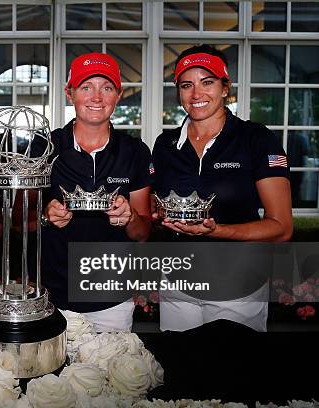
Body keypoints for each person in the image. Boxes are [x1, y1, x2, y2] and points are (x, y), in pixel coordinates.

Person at [152, 44, 293, 332]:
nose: (196, 94)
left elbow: (281, 228)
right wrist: (156, 217)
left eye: (208, 82)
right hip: (176, 284)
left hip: (237, 288)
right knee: (178, 369)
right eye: (186, 85)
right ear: (178, 92)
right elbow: (157, 208)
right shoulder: (165, 145)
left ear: (225, 88)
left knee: (229, 373)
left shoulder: (255, 139)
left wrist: (218, 231)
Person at [41, 52, 153, 332]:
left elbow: (143, 232)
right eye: (86, 87)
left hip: (113, 298)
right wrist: (46, 215)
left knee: (116, 374)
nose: (97, 97)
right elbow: (20, 221)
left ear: (118, 95)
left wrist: (129, 218)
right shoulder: (45, 147)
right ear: (70, 93)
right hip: (55, 296)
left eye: (106, 88)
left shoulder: (135, 151)